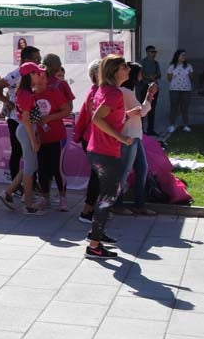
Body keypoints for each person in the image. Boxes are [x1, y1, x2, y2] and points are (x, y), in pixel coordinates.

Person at [85, 55, 137, 259]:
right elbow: (97, 118)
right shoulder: (113, 93)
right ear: (114, 71)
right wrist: (122, 138)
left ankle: (98, 233)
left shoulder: (104, 90)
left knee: (106, 194)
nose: (128, 70)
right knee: (107, 198)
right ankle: (94, 246)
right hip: (105, 152)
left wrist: (128, 114)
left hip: (97, 150)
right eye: (124, 67)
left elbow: (107, 116)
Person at [0, 45, 42, 187]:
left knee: (31, 151)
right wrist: (7, 102)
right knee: (18, 151)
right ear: (26, 59)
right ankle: (16, 184)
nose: (39, 61)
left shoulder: (35, 73)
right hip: (16, 118)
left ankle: (31, 182)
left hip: (29, 117)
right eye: (36, 58)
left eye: (39, 58)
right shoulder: (17, 74)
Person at [0, 63, 47, 214]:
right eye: (37, 73)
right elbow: (26, 119)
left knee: (29, 165)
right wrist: (33, 139)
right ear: (30, 75)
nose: (39, 76)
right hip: (26, 130)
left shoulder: (26, 91)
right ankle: (28, 205)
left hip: (26, 130)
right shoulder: (26, 94)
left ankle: (8, 192)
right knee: (29, 169)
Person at [115, 63, 156, 217]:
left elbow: (139, 112)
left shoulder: (129, 91)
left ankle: (139, 204)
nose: (141, 76)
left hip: (135, 136)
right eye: (139, 73)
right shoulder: (125, 92)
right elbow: (142, 111)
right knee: (124, 172)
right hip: (129, 137)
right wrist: (149, 95)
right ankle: (118, 204)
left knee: (142, 169)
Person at [36, 54, 75, 211]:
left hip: (55, 133)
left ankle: (54, 198)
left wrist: (49, 117)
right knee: (47, 168)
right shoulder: (38, 86)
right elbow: (69, 109)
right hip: (43, 134)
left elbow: (67, 109)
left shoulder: (59, 86)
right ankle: (54, 198)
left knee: (51, 168)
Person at [73, 60, 103, 225]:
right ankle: (87, 211)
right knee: (97, 175)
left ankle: (95, 208)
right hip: (93, 139)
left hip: (94, 139)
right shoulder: (95, 93)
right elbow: (86, 116)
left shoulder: (98, 91)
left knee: (99, 175)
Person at [166, 49, 193, 132]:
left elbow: (191, 77)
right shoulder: (172, 66)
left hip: (186, 90)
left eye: (185, 55)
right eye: (182, 55)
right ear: (177, 56)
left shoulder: (188, 66)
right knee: (174, 107)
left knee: (185, 108)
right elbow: (169, 78)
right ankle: (171, 125)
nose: (184, 57)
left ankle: (186, 125)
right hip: (174, 89)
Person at [139, 45, 161, 135]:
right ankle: (141, 130)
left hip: (154, 87)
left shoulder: (156, 63)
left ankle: (150, 129)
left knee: (152, 108)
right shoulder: (142, 62)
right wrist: (149, 77)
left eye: (155, 52)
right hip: (144, 87)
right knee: (143, 108)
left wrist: (154, 77)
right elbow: (140, 74)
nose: (154, 54)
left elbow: (159, 74)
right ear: (147, 52)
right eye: (152, 52)